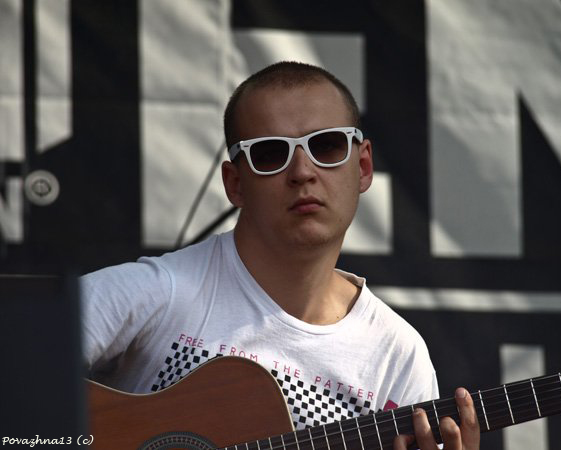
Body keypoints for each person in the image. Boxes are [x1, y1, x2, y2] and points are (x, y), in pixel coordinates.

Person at [81, 61, 480, 449]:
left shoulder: (396, 355)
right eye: (270, 154)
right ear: (235, 184)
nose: (302, 172)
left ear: (362, 166)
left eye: (326, 146)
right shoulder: (159, 293)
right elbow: (36, 364)